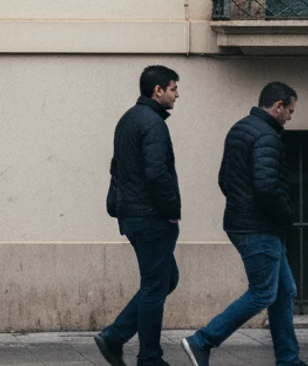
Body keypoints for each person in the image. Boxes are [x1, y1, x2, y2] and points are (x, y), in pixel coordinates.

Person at [182, 82, 306, 366]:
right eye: (290, 110)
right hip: (259, 227)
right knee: (263, 292)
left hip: (245, 222)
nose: (290, 117)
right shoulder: (267, 136)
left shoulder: (240, 129)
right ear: (278, 106)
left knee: (284, 292)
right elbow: (267, 187)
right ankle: (201, 341)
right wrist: (285, 214)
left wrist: (241, 204)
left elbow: (224, 179)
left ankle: (288, 359)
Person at [96, 65, 182, 366]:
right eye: (173, 88)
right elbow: (157, 173)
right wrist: (172, 212)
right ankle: (148, 357)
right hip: (151, 217)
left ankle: (116, 335)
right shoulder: (153, 124)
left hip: (132, 214)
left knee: (167, 279)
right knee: (155, 286)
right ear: (157, 90)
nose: (177, 94)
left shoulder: (128, 119)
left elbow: (116, 167)